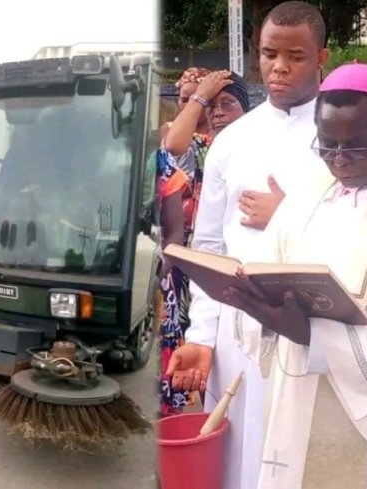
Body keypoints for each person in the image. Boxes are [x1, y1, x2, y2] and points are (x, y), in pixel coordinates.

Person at [227, 63, 367, 489]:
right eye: (326, 145)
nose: (337, 159)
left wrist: (313, 336)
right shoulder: (309, 192)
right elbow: (268, 262)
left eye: (354, 147)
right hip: (295, 399)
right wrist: (255, 306)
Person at [166, 2, 331, 488]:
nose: (279, 68)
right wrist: (202, 335)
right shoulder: (232, 139)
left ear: (321, 57)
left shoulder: (343, 135)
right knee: (239, 459)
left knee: (302, 459)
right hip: (237, 331)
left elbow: (364, 229)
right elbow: (209, 246)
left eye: (295, 57)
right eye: (269, 54)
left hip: (312, 327)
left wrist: (288, 215)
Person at [158, 71, 252, 416]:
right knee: (195, 336)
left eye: (228, 103)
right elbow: (172, 145)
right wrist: (200, 98)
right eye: (210, 105)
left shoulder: (258, 148)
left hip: (236, 268)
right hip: (188, 259)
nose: (218, 112)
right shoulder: (198, 145)